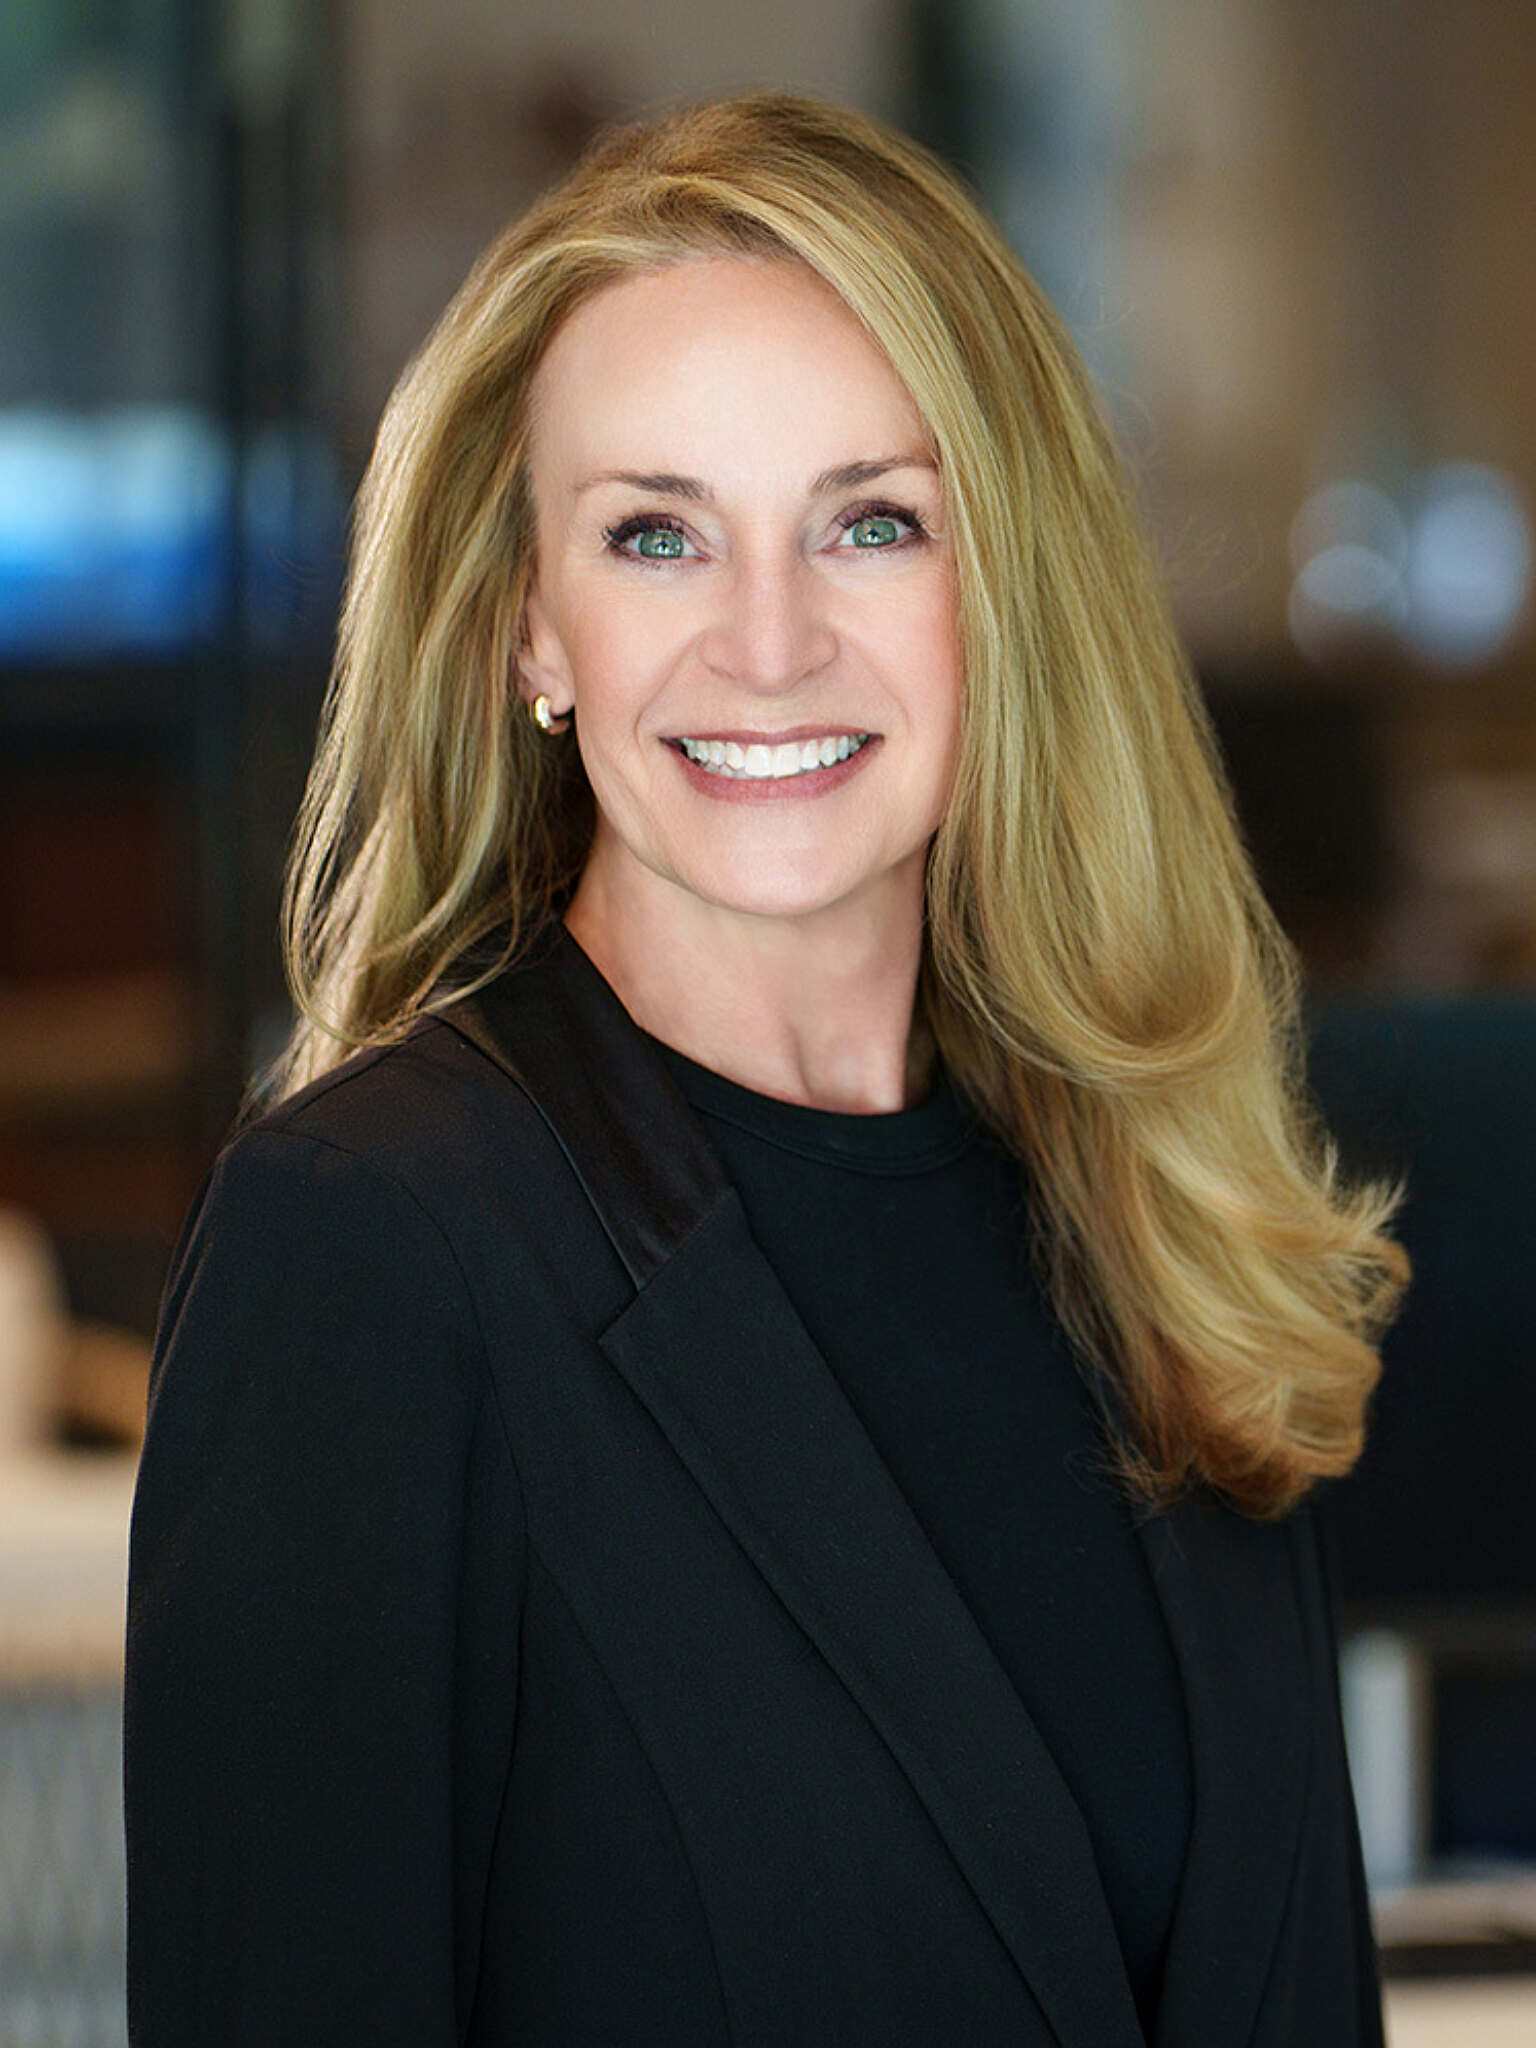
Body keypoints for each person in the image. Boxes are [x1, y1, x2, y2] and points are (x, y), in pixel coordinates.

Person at [123, 92, 1409, 2046]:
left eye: (869, 521)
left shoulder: (1151, 1201)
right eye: (659, 536)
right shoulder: (372, 1253)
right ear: (528, 629)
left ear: (1003, 593)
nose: (773, 644)